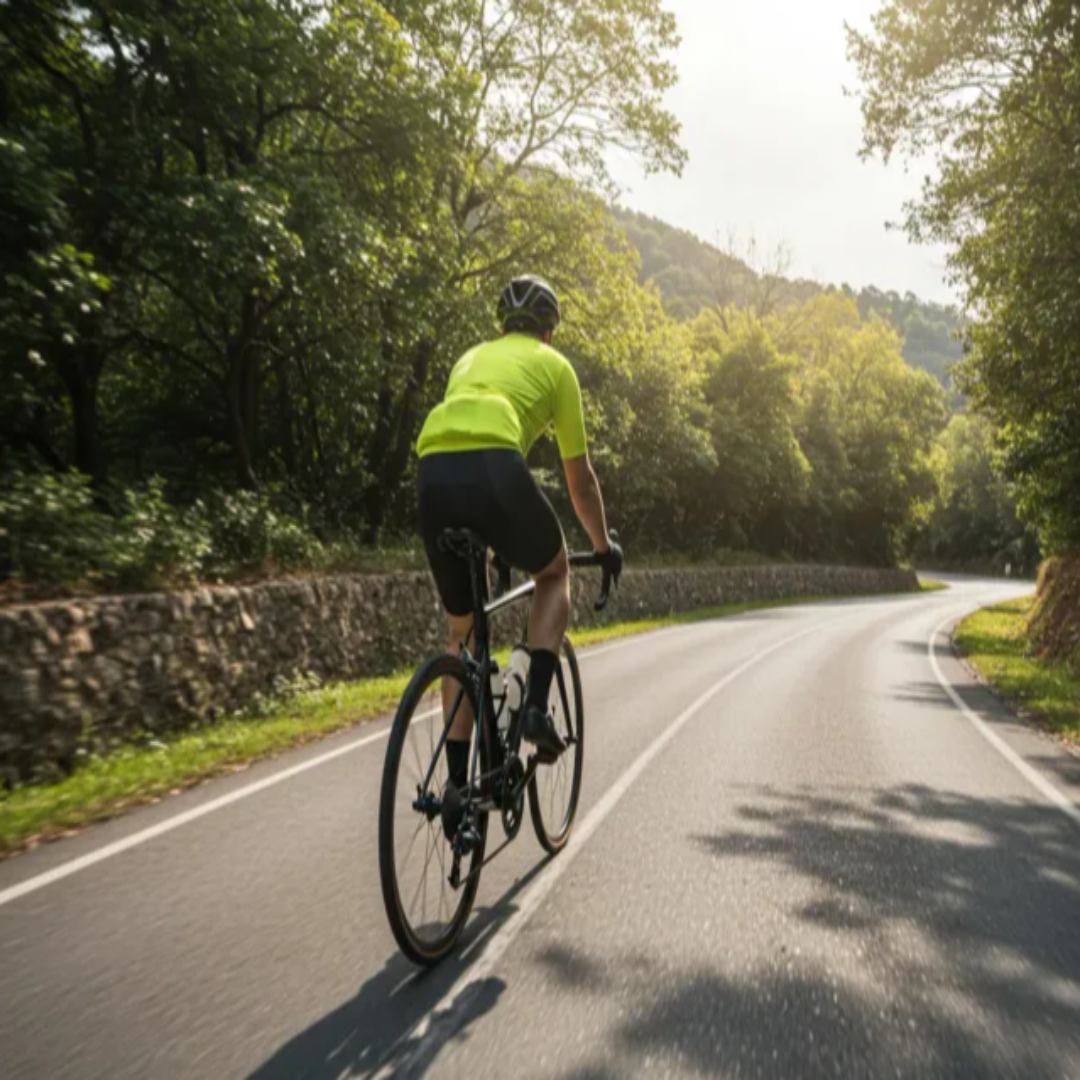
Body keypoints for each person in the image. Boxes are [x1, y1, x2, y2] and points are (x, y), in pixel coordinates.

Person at [416, 275, 622, 790]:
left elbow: (460, 447)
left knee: (462, 633)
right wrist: (603, 546)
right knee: (555, 572)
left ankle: (458, 788)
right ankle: (533, 710)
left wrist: (491, 543)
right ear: (548, 332)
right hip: (495, 468)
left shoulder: (469, 359)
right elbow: (580, 483)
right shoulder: (556, 367)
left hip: (431, 471)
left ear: (502, 326)